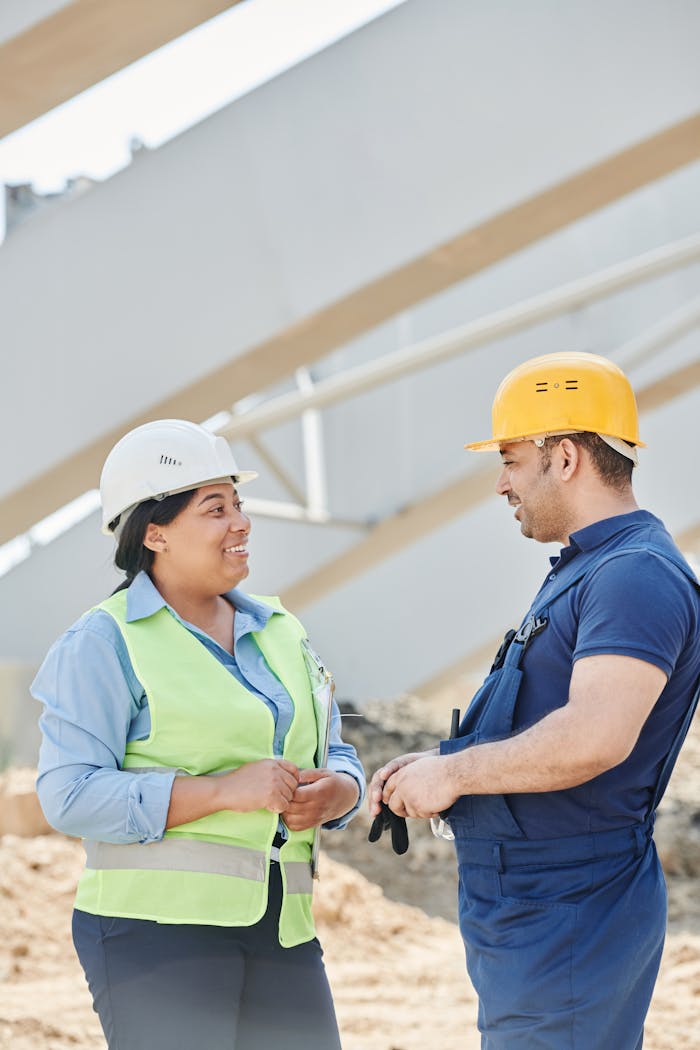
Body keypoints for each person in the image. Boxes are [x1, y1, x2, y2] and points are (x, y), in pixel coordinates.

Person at [369, 351, 700, 1049]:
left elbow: (595, 736)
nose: (500, 483)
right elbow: (541, 718)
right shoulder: (589, 571)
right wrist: (433, 762)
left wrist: (454, 775)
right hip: (536, 910)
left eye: (512, 459)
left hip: (570, 912)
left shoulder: (633, 576)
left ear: (567, 456)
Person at [33, 418, 365, 1050]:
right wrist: (222, 792)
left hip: (282, 928)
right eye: (216, 509)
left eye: (238, 505)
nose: (241, 522)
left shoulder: (281, 631)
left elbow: (335, 750)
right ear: (154, 531)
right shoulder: (104, 642)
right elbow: (69, 795)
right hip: (154, 935)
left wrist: (340, 792)